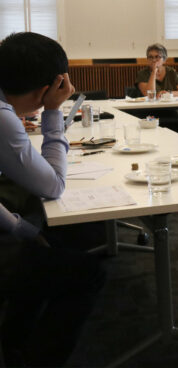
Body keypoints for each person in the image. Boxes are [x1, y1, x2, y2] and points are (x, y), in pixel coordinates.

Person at [0, 32, 105, 367]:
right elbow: (54, 185)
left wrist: (22, 229)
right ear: (48, 88)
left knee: (45, 236)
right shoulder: (3, 118)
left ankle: (14, 343)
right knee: (89, 274)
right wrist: (53, 112)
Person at [135, 43, 178, 133]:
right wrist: (154, 72)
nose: (154, 60)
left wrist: (169, 93)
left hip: (168, 109)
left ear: (164, 59)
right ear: (147, 60)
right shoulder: (142, 74)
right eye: (150, 57)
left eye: (157, 57)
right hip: (148, 111)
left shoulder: (171, 72)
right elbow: (149, 95)